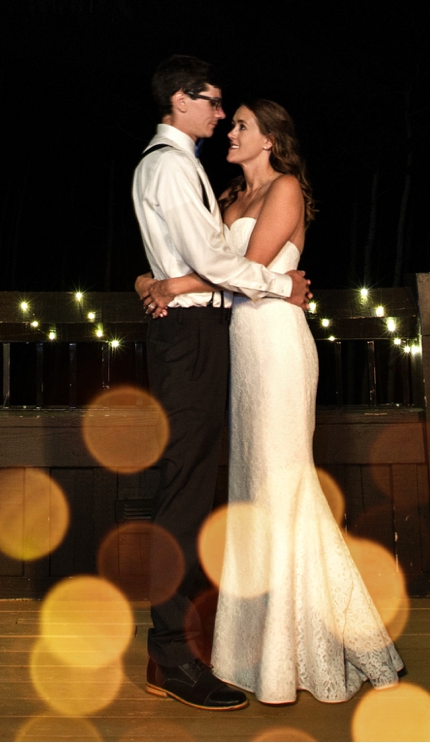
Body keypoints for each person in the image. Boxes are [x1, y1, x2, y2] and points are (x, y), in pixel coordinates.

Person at [136, 97, 406, 707]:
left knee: (285, 483)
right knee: (252, 490)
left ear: (271, 140)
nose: (230, 130)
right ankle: (253, 650)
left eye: (241, 125)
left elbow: (245, 270)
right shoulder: (228, 198)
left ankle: (314, 645)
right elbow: (205, 258)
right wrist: (147, 278)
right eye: (229, 121)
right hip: (239, 352)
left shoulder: (284, 189)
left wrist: (170, 285)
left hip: (279, 347)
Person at [130, 56, 313, 712]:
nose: (219, 115)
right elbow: (214, 262)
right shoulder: (173, 165)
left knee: (200, 487)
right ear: (181, 101)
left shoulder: (184, 169)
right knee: (184, 492)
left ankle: (189, 642)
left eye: (229, 112)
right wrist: (280, 286)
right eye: (212, 103)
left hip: (211, 339)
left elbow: (192, 262)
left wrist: (155, 281)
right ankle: (171, 653)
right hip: (194, 341)